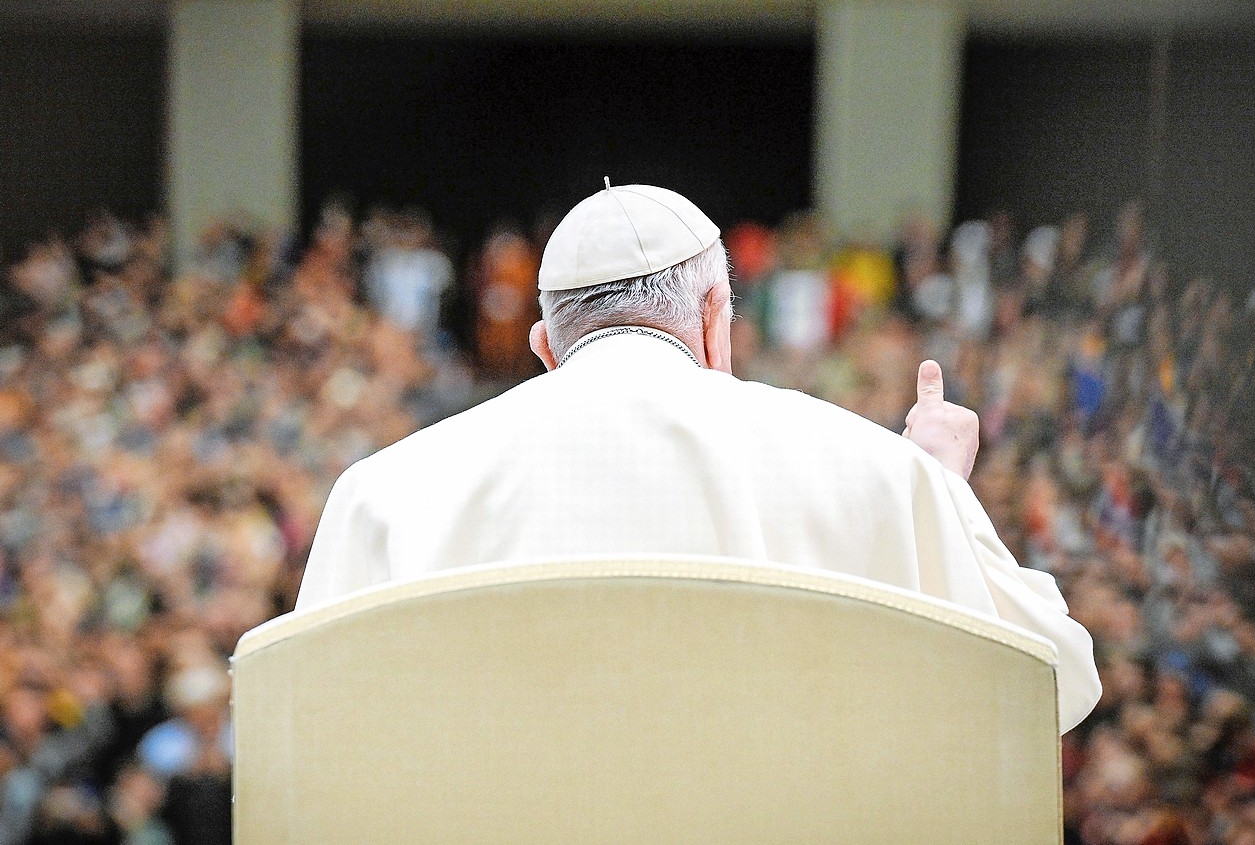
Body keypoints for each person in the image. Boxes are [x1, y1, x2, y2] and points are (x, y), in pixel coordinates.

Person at [296, 181, 1102, 732]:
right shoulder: (872, 470)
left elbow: (310, 730)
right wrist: (938, 488)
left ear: (545, 346)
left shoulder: (383, 493)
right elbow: (1052, 679)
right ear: (718, 317)